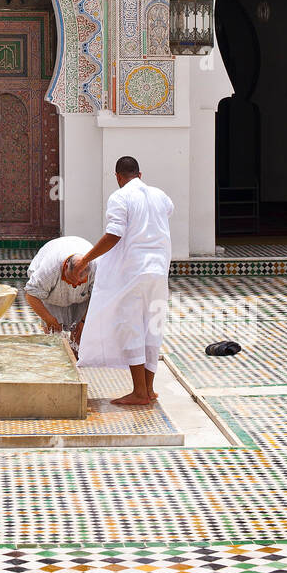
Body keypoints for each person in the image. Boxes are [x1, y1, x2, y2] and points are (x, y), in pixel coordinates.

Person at [68, 156, 174, 406]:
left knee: (132, 327)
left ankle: (139, 393)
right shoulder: (161, 196)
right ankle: (148, 389)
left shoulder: (121, 197)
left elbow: (114, 233)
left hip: (134, 272)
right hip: (159, 270)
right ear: (140, 174)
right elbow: (167, 212)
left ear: (117, 177)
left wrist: (84, 261)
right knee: (152, 326)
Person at [25, 235, 95, 349]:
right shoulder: (49, 270)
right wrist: (48, 319)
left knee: (82, 336)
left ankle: (77, 358)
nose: (74, 286)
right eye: (71, 281)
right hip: (52, 294)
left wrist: (83, 322)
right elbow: (31, 295)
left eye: (79, 283)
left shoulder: (96, 267)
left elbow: (97, 298)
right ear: (64, 266)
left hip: (84, 297)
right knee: (53, 337)